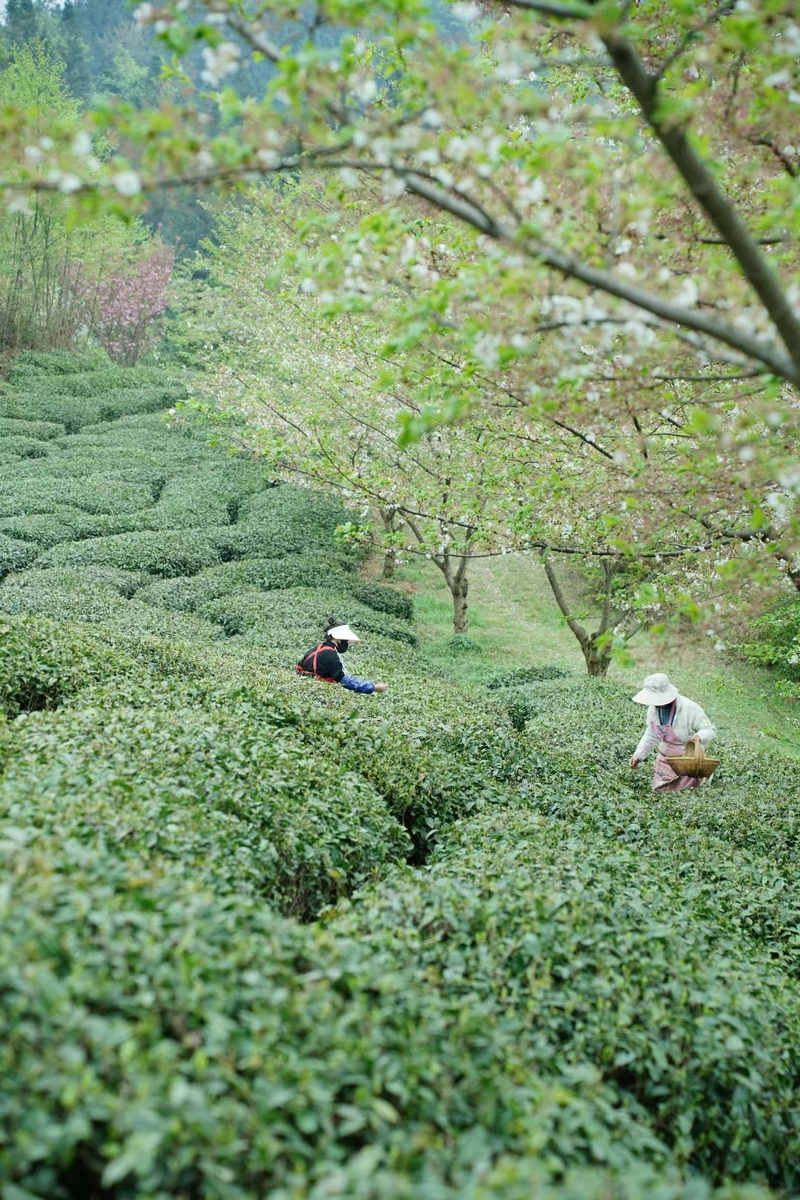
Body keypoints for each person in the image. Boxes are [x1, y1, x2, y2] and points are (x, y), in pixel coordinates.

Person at [629, 672, 715, 791]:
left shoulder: (689, 708)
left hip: (687, 762)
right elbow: (651, 733)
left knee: (684, 795)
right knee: (660, 792)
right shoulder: (653, 709)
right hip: (664, 761)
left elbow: (709, 730)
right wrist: (638, 755)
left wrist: (699, 737)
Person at [296, 621, 388, 695]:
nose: (346, 643)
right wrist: (373, 687)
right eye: (346, 641)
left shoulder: (317, 649)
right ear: (338, 639)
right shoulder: (331, 655)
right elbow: (345, 681)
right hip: (315, 692)